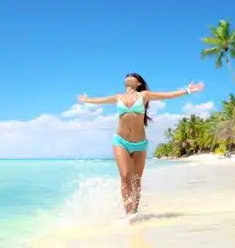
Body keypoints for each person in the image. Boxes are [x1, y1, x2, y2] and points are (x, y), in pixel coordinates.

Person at [78, 72, 205, 217]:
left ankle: (135, 212)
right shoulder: (118, 97)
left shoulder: (144, 95)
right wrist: (86, 99)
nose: (128, 77)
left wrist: (187, 90)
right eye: (127, 76)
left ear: (138, 83)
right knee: (125, 176)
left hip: (139, 144)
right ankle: (129, 215)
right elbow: (100, 100)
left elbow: (168, 95)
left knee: (136, 180)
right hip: (120, 141)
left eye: (132, 76)